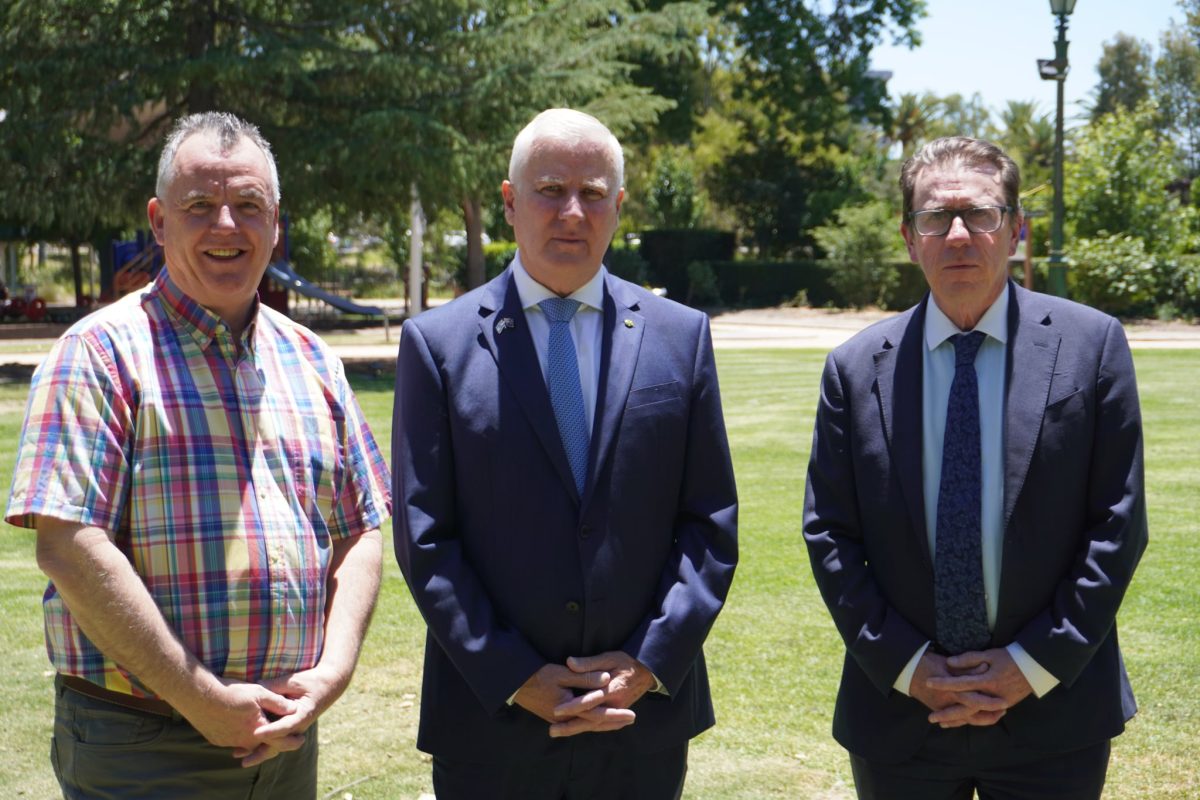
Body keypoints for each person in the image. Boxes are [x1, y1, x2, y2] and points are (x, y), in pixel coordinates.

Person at [6, 111, 391, 799]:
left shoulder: (313, 361)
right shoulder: (97, 355)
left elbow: (360, 529)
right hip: (143, 747)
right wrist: (203, 697)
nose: (226, 226)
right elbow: (67, 546)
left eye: (248, 206)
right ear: (158, 222)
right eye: (199, 206)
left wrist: (330, 674)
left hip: (286, 744)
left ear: (276, 222)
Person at [392, 108, 738, 799]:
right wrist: (516, 676)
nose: (572, 212)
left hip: (636, 721)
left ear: (619, 205)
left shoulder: (682, 337)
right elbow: (425, 539)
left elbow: (710, 526)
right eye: (551, 190)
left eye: (593, 192)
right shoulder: (438, 346)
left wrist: (646, 662)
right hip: (491, 724)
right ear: (510, 202)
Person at [802, 136, 1148, 799]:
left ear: (1016, 229)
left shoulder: (1092, 347)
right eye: (936, 217)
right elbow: (830, 535)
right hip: (903, 718)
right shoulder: (853, 369)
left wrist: (1030, 665)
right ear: (910, 237)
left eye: (980, 214)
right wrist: (910, 667)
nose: (958, 234)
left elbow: (1117, 525)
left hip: (1055, 715)